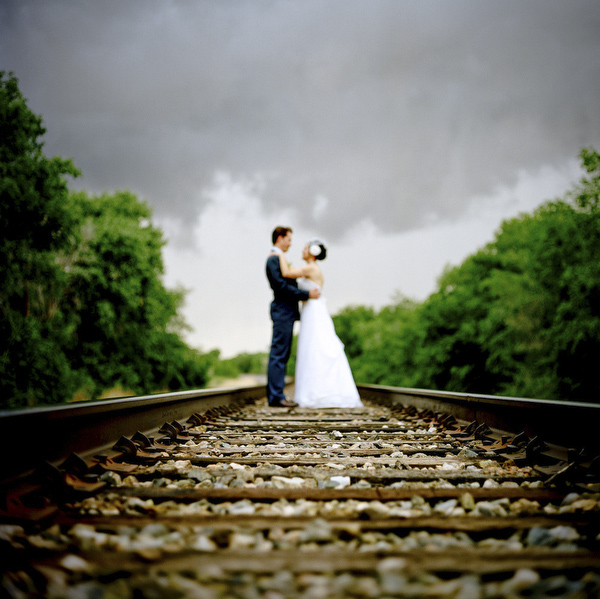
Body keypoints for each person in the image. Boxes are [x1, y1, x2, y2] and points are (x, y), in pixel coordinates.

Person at [272, 239, 362, 408]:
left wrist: (279, 254)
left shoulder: (311, 267)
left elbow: (286, 273)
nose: (302, 250)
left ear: (312, 252)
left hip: (313, 311)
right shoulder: (314, 268)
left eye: (305, 248)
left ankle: (317, 392)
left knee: (314, 347)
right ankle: (317, 390)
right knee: (314, 347)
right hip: (312, 309)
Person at [266, 227, 320, 407]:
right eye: (288, 239)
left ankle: (277, 394)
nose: (290, 243)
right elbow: (281, 287)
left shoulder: (278, 258)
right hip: (282, 311)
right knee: (279, 353)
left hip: (286, 312)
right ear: (280, 238)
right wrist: (305, 294)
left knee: (283, 353)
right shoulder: (273, 259)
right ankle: (276, 397)